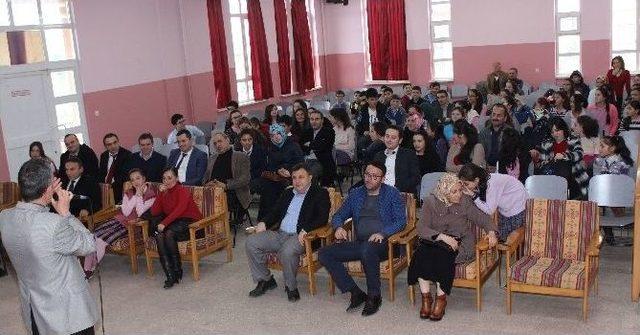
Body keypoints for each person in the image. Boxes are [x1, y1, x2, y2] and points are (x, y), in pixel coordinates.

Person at [0, 159, 97, 335]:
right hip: (68, 317)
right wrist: (65, 214)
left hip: (34, 311)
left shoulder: (4, 217)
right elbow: (89, 245)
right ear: (47, 190)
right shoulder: (55, 224)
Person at [319, 161, 407, 317]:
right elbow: (338, 215)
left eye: (374, 176)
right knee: (325, 253)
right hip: (361, 243)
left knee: (368, 248)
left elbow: (401, 221)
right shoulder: (356, 194)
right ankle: (355, 292)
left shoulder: (392, 193)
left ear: (383, 178)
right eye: (367, 174)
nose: (369, 179)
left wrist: (382, 233)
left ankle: (374, 295)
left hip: (385, 244)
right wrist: (339, 227)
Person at [407, 173, 497, 320]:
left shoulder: (465, 202)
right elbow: (421, 228)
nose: (459, 194)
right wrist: (442, 236)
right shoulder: (430, 202)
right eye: (454, 192)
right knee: (420, 254)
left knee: (442, 256)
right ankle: (426, 298)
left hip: (460, 242)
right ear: (444, 192)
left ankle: (440, 300)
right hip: (437, 240)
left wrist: (492, 232)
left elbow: (482, 218)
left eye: (460, 190)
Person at [245, 163, 330, 302]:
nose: (297, 181)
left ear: (310, 177)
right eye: (294, 177)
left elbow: (322, 218)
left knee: (287, 251)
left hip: (302, 237)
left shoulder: (320, 193)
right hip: (280, 234)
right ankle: (265, 280)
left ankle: (291, 287)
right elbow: (275, 212)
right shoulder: (288, 192)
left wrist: (306, 230)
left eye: (301, 177)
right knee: (251, 242)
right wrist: (264, 222)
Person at [83, 168, 156, 278]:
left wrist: (139, 196)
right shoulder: (129, 192)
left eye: (138, 178)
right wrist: (135, 195)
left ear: (144, 178)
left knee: (101, 241)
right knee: (93, 237)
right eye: (132, 180)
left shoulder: (151, 195)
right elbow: (126, 212)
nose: (136, 182)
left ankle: (90, 270)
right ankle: (86, 269)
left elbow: (140, 213)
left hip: (131, 225)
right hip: (118, 220)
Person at [149, 167, 203, 288]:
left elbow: (180, 210)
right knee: (160, 235)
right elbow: (154, 211)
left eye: (170, 178)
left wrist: (164, 223)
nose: (166, 181)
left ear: (177, 178)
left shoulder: (183, 191)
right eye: (164, 178)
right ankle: (170, 274)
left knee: (168, 233)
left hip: (192, 225)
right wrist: (159, 194)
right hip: (174, 224)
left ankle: (177, 270)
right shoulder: (164, 192)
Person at [458, 164, 526, 241]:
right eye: (462, 184)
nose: (465, 187)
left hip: (516, 208)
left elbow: (489, 210)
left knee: (512, 241)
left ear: (476, 180)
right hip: (506, 207)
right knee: (502, 240)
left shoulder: (491, 183)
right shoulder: (484, 180)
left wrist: (473, 195)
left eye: (466, 184)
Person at [530, 117, 589, 199]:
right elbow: (542, 162)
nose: (555, 134)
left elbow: (579, 154)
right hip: (553, 180)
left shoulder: (573, 140)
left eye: (557, 130)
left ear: (563, 129)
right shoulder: (546, 143)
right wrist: (537, 157)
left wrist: (565, 156)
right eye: (552, 132)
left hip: (575, 178)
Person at [257, 124, 304, 220]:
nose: (276, 137)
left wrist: (290, 172)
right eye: (273, 135)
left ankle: (279, 217)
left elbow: (301, 164)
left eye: (278, 133)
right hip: (277, 176)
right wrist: (278, 170)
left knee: (277, 188)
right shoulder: (271, 147)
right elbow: (269, 165)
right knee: (267, 186)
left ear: (283, 133)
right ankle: (267, 219)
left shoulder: (293, 146)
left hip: (294, 175)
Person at [593, 135, 634, 244]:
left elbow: (618, 185)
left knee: (604, 203)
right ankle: (607, 235)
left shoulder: (622, 164)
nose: (599, 148)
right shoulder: (602, 162)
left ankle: (612, 233)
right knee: (596, 203)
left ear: (612, 148)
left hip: (619, 197)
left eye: (602, 146)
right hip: (606, 196)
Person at [203, 132, 251, 223]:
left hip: (233, 192)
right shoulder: (212, 158)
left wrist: (225, 185)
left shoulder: (241, 156)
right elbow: (205, 177)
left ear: (227, 140)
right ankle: (204, 226)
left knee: (215, 199)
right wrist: (207, 183)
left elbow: (245, 178)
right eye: (215, 143)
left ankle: (217, 226)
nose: (217, 145)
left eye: (220, 141)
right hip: (212, 190)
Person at [374, 125, 421, 195]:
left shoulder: (409, 155)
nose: (389, 140)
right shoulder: (378, 156)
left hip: (401, 194)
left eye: (393, 138)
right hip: (381, 194)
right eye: (387, 136)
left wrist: (397, 189)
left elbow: (415, 178)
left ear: (400, 140)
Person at [301, 110, 337, 187]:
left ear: (322, 120)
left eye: (317, 119)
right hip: (305, 160)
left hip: (321, 161)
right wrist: (315, 145)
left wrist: (310, 144)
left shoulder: (329, 131)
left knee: (310, 174)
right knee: (296, 173)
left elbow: (323, 146)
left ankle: (312, 195)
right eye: (312, 119)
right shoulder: (306, 132)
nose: (314, 121)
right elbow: (302, 146)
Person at [478, 104, 516, 170]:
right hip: (486, 169)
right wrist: (486, 166)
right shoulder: (484, 132)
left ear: (505, 118)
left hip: (505, 169)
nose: (495, 118)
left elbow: (512, 156)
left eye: (499, 115)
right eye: (493, 114)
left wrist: (498, 168)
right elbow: (480, 154)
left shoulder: (511, 133)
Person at [97, 133, 132, 203]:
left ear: (118, 142)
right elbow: (102, 173)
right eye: (109, 144)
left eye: (115, 142)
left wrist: (109, 188)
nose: (113, 146)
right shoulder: (104, 156)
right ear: (105, 146)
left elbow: (125, 176)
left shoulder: (127, 155)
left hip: (119, 188)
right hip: (105, 187)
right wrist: (101, 187)